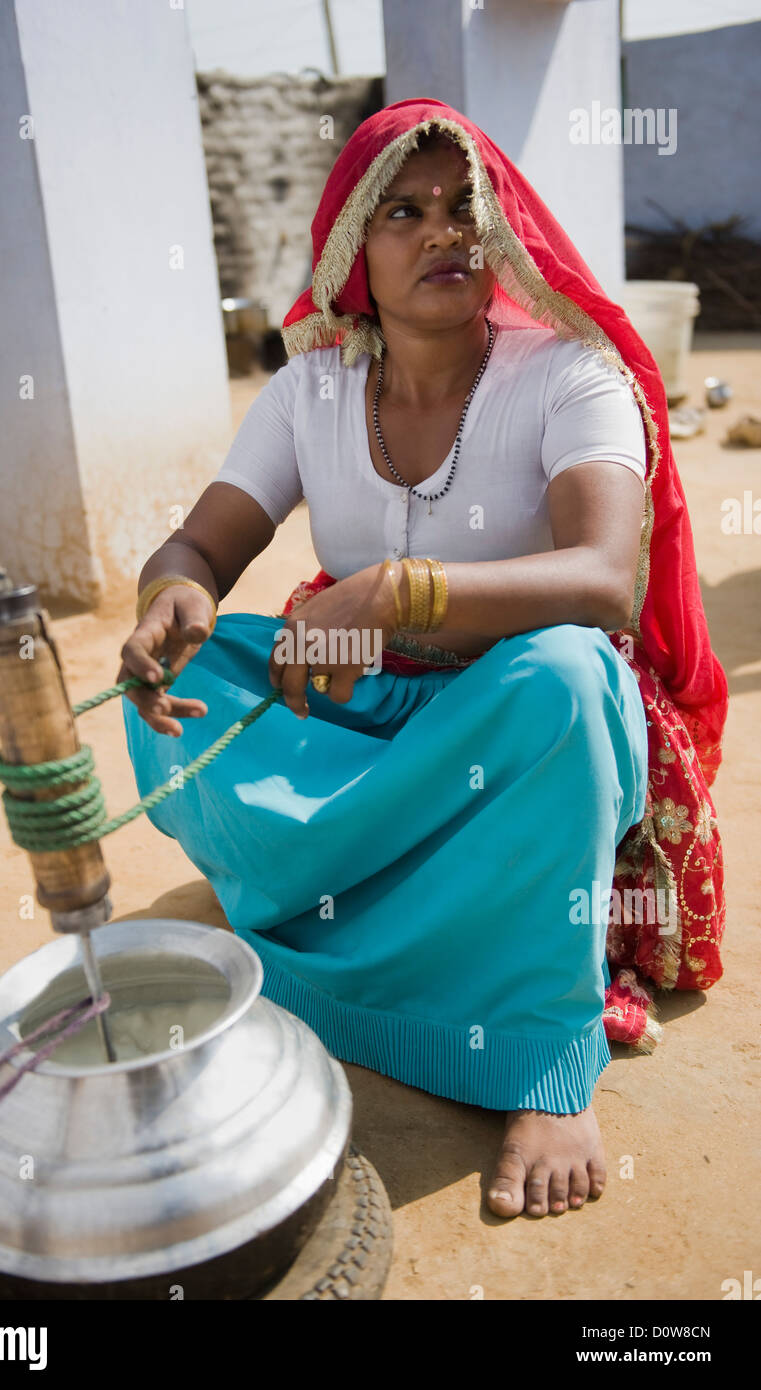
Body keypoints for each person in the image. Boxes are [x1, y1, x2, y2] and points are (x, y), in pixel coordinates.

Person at [118, 99, 727, 1220]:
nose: (443, 231)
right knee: (188, 678)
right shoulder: (310, 389)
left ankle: (538, 1054)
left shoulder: (566, 373)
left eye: (464, 208)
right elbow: (202, 542)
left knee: (567, 675)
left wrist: (401, 590)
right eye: (404, 210)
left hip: (512, 726)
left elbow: (605, 579)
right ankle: (362, 925)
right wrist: (175, 596)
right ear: (353, 249)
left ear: (498, 235)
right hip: (357, 688)